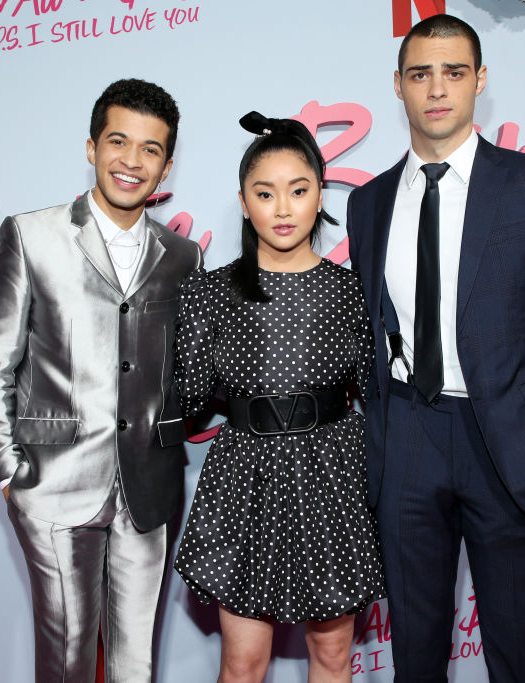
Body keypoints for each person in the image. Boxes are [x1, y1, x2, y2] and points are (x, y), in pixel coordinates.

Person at [345, 14, 525, 683]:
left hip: (511, 449)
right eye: (421, 74)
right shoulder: (371, 202)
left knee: (518, 662)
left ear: (480, 82)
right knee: (416, 662)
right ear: (398, 87)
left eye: (454, 72)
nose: (437, 89)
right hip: (407, 437)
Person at [0, 78, 202, 682]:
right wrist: (7, 471)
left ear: (167, 165)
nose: (132, 160)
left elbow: (179, 371)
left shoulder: (182, 257)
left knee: (135, 662)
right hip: (53, 480)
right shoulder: (32, 235)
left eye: (150, 149)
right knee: (68, 659)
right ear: (91, 147)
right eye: (118, 141)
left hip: (148, 486)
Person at [173, 112, 385, 683]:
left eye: (299, 190)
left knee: (333, 656)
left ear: (320, 194)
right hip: (245, 478)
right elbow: (185, 396)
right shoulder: (210, 290)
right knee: (242, 665)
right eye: (265, 194)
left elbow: (377, 393)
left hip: (333, 475)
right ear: (244, 202)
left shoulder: (350, 290)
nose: (284, 209)